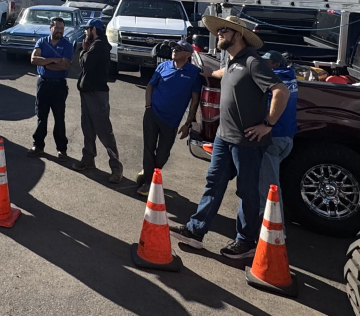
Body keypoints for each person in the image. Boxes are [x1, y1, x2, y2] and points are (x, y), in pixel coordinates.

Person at [170, 15, 291, 260]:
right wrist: (203, 72)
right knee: (213, 183)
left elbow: (281, 90)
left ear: (239, 35)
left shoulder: (253, 63)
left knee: (247, 193)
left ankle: (245, 243)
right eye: (219, 30)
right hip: (224, 138)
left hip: (246, 142)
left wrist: (267, 124)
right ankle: (195, 232)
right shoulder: (234, 62)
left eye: (224, 31)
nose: (219, 34)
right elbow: (221, 73)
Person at [138, 41, 203, 196]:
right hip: (153, 114)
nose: (174, 50)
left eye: (179, 49)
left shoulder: (194, 73)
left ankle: (151, 172)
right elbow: (150, 86)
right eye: (174, 48)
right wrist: (148, 106)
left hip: (171, 121)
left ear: (188, 54)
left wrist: (188, 123)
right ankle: (149, 181)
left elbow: (195, 100)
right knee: (148, 148)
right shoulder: (163, 66)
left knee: (163, 153)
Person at [73, 18, 123, 183]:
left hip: (96, 94)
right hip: (87, 93)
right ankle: (88, 158)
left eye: (88, 29)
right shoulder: (95, 45)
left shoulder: (99, 45)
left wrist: (83, 50)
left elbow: (85, 63)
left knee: (104, 131)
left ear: (93, 30)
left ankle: (116, 167)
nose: (85, 32)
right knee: (87, 127)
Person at [28, 16, 74, 160]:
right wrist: (53, 60)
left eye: (62, 28)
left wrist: (44, 63)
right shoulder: (42, 41)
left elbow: (65, 65)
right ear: (51, 28)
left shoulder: (67, 45)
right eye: (57, 28)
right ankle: (38, 145)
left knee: (59, 118)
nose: (59, 31)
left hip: (59, 85)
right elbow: (34, 59)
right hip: (43, 83)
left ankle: (62, 150)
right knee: (41, 116)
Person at [258, 51, 299, 205]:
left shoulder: (273, 78)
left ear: (276, 64)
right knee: (270, 180)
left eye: (266, 61)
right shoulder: (290, 76)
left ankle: (271, 224)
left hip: (273, 137)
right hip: (288, 137)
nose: (262, 64)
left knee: (268, 189)